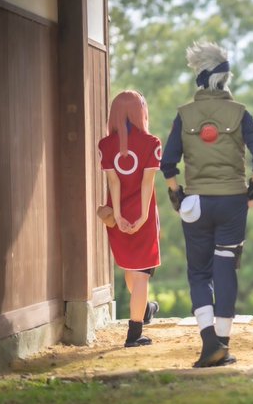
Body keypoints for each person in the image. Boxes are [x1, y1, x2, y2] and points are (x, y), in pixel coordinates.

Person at [161, 41, 253, 368]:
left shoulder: (184, 114)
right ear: (224, 79)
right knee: (225, 267)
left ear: (200, 77)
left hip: (196, 202)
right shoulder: (240, 112)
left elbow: (168, 163)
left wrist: (176, 194)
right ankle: (223, 342)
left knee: (199, 272)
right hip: (233, 201)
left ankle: (209, 342)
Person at [97, 90, 162, 347]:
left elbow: (113, 182)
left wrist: (119, 214)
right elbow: (147, 183)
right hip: (142, 214)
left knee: (129, 267)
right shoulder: (152, 143)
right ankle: (135, 334)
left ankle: (143, 309)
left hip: (118, 215)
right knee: (142, 273)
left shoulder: (105, 145)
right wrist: (143, 215)